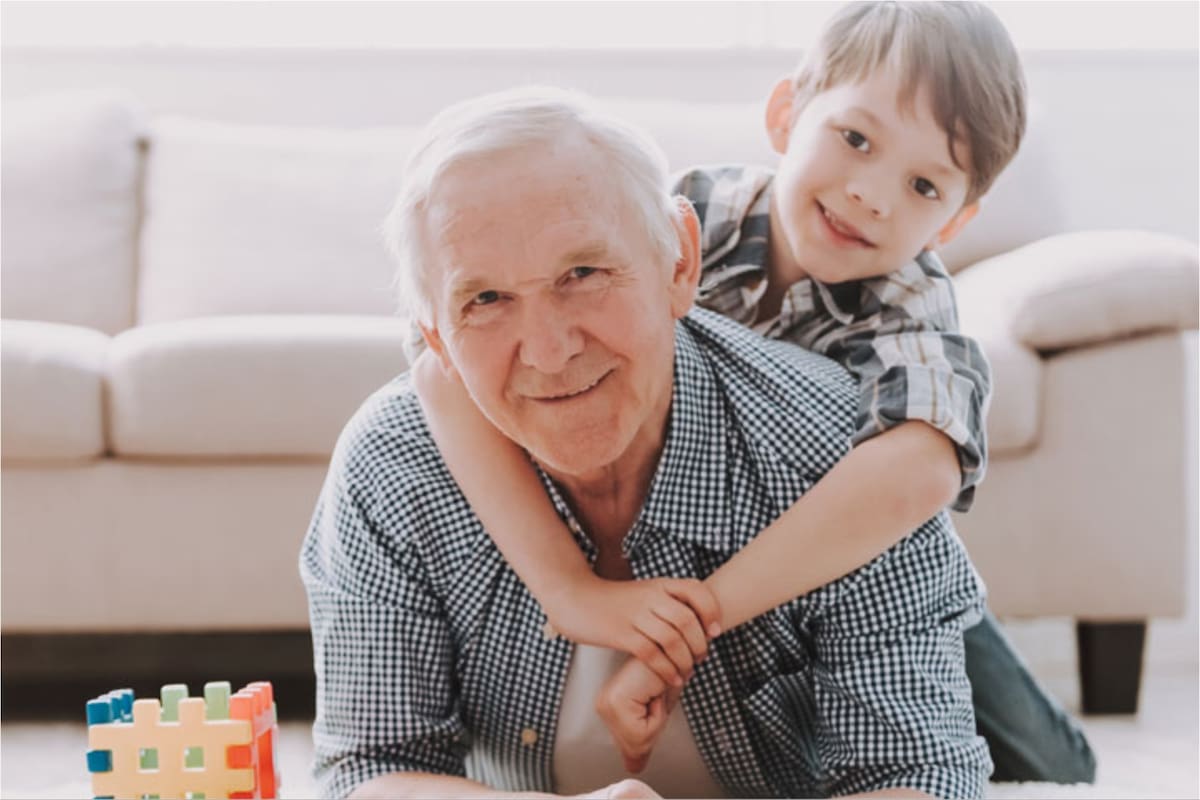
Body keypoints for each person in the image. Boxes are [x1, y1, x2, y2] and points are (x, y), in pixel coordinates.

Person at [411, 0, 1095, 784]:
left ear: (953, 223)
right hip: (709, 522)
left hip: (856, 559)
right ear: (786, 114)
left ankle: (1068, 753)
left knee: (1035, 762)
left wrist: (702, 613)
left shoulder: (913, 305)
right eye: (856, 139)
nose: (872, 195)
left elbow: (922, 475)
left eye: (922, 184)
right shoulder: (694, 211)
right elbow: (438, 366)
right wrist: (564, 588)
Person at [301, 84, 993, 799]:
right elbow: (366, 771)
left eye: (583, 274)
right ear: (438, 338)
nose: (547, 350)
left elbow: (915, 772)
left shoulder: (845, 463)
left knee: (1031, 745)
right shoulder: (392, 469)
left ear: (681, 263)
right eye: (486, 300)